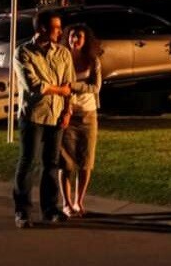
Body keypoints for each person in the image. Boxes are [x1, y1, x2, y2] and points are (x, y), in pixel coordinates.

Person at [12, 10, 75, 228]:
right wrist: (61, 91)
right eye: (56, 28)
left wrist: (67, 111)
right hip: (33, 115)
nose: (60, 31)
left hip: (57, 115)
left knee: (51, 164)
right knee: (27, 162)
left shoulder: (63, 53)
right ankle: (22, 212)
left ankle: (50, 209)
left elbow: (70, 84)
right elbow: (34, 86)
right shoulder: (23, 53)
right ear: (42, 29)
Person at [59, 23, 102, 217]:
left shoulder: (93, 61)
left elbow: (95, 87)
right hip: (67, 114)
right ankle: (66, 203)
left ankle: (79, 201)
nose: (74, 39)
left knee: (86, 162)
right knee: (66, 163)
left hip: (88, 114)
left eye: (79, 37)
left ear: (86, 41)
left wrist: (73, 86)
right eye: (72, 36)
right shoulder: (61, 58)